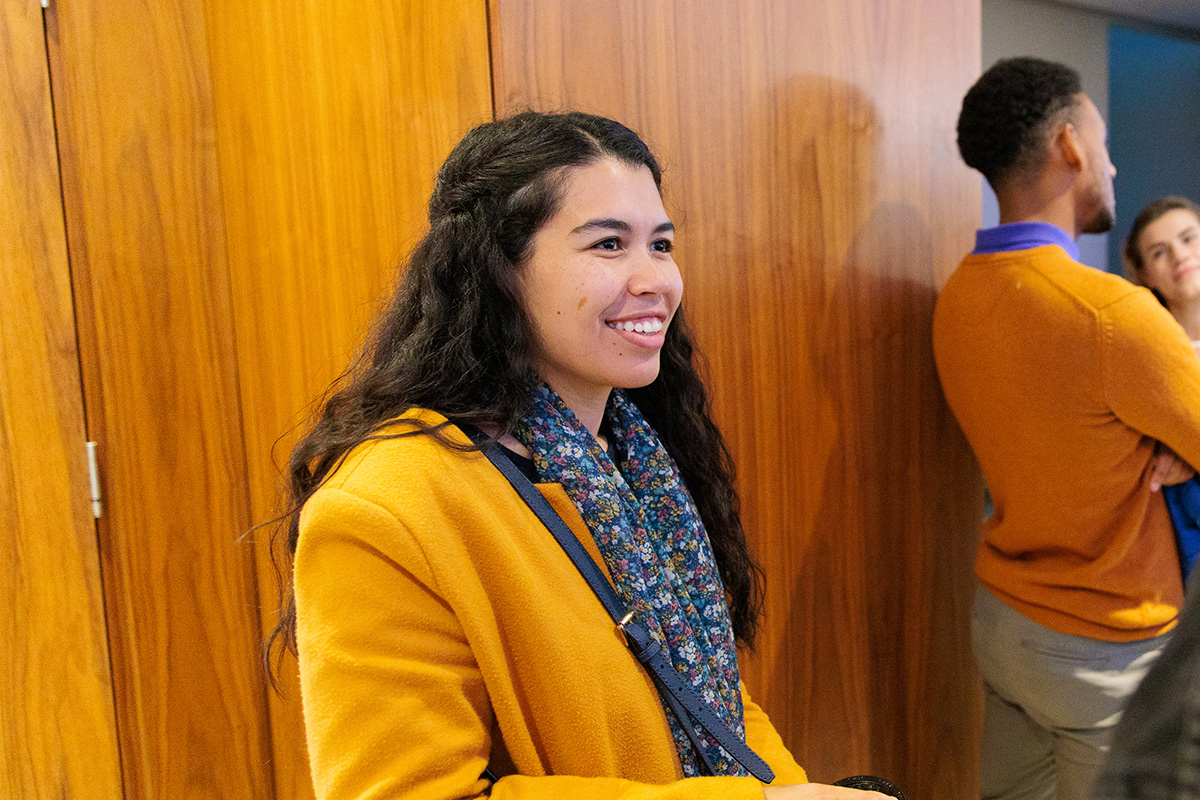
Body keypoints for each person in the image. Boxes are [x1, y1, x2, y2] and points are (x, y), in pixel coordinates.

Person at [272, 111, 885, 800]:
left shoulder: (636, 457)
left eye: (661, 243)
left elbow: (708, 700)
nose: (654, 279)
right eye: (607, 245)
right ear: (498, 271)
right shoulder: (386, 507)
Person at [933, 57, 1200, 800]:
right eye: (1103, 141)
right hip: (1104, 650)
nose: (1112, 163)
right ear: (1071, 147)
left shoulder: (959, 296)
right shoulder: (1111, 314)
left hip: (1007, 623)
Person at [1124, 196, 1200, 584]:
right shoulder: (1141, 353)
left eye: (1189, 238)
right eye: (1159, 252)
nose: (1180, 255)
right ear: (1145, 274)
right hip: (1172, 551)